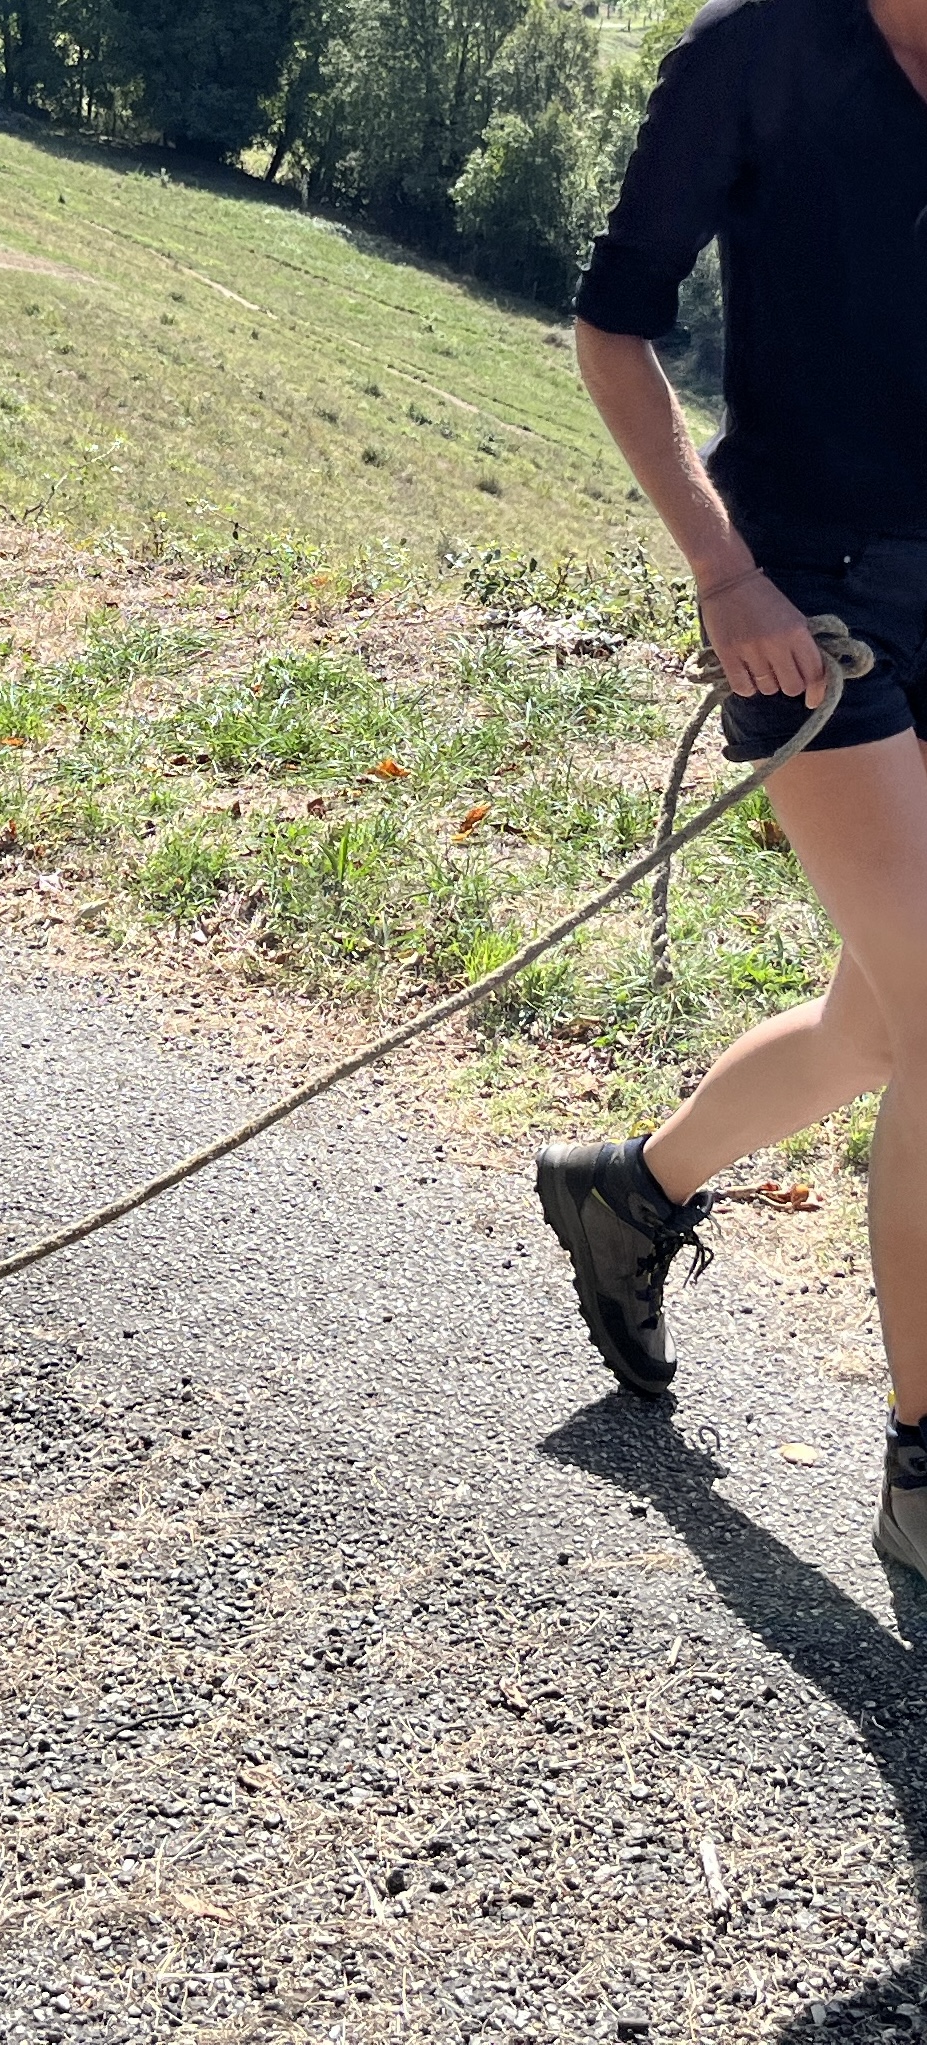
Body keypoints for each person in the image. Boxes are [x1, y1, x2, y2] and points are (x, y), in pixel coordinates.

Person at [533, 0, 927, 1574]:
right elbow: (612, 326)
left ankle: (630, 1194)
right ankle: (925, 1464)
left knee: (879, 1027)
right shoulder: (752, 56)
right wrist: (723, 573)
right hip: (809, 612)